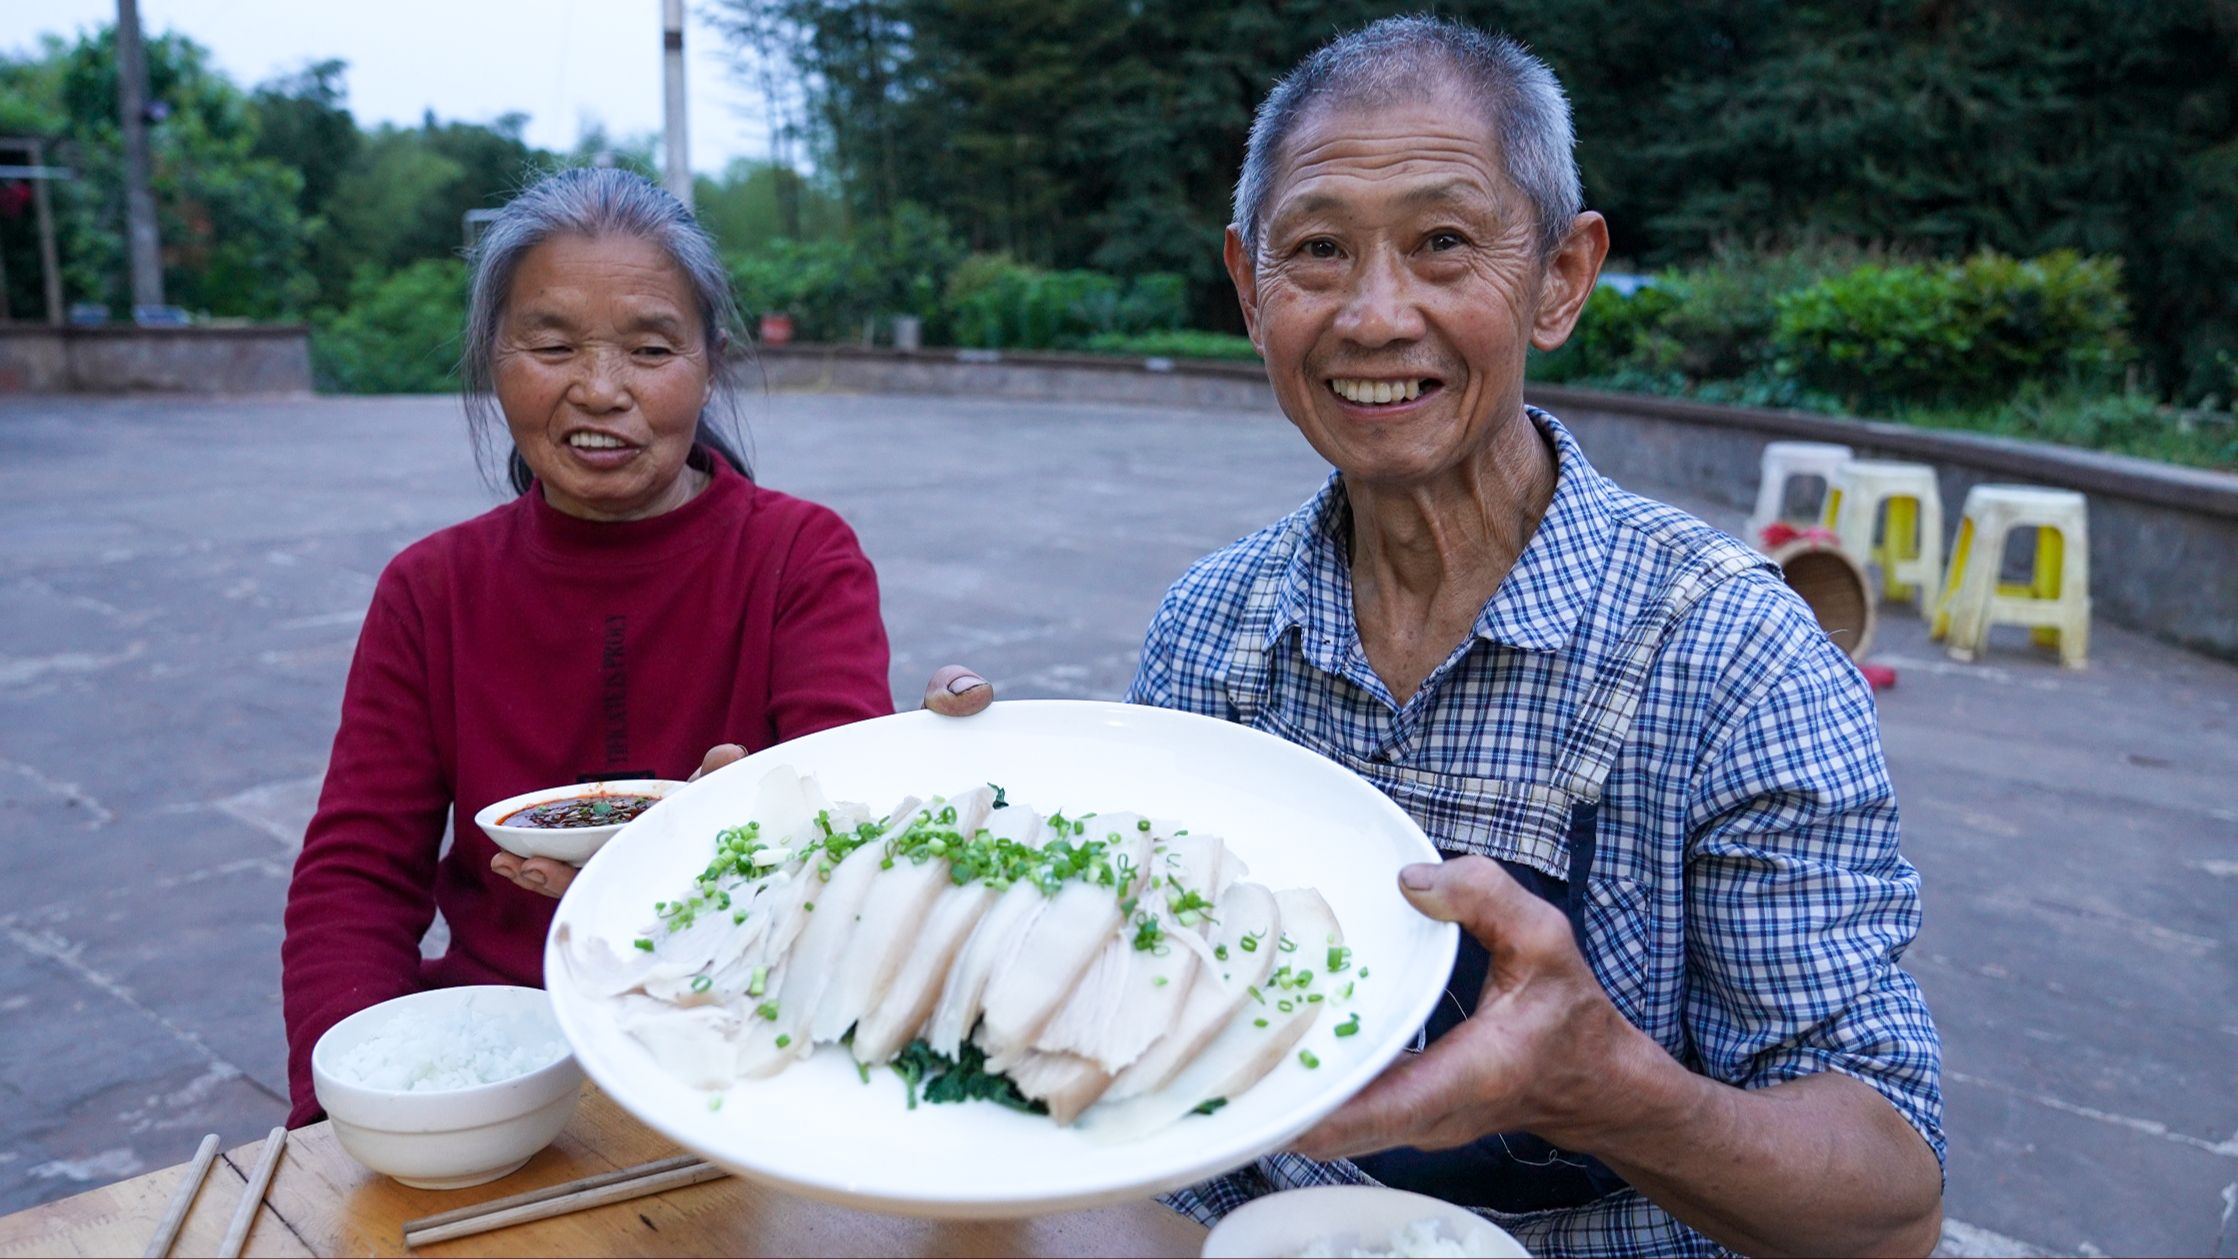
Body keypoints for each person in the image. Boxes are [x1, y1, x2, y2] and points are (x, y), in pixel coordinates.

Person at [1116, 17, 1945, 1257]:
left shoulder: (1734, 652)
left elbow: (1891, 1202)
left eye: (1444, 243)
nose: (1375, 315)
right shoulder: (1211, 629)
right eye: (1320, 251)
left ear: (1561, 276)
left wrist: (1609, 1086)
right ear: (1251, 289)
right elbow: (1131, 1013)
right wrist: (959, 841)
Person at [278, 167, 984, 1127]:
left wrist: (705, 861)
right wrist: (350, 1110)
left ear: (709, 361)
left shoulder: (799, 556)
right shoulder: (431, 588)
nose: (600, 390)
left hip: (746, 1039)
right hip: (501, 1046)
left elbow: (842, 850)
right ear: (495, 356)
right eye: (552, 344)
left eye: (650, 348)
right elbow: (356, 876)